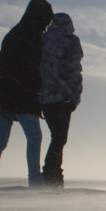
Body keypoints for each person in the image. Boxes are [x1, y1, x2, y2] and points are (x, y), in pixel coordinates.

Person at [0, 0, 54, 188]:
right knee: (34, 138)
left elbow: (1, 66)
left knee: (0, 141)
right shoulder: (34, 37)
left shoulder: (14, 34)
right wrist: (33, 87)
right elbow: (34, 69)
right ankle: (35, 181)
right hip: (23, 97)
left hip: (2, 95)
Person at [38, 12, 84, 187]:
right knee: (59, 138)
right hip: (63, 97)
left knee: (56, 136)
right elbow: (74, 69)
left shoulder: (43, 39)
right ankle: (52, 175)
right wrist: (74, 96)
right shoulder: (70, 40)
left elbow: (40, 69)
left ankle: (52, 173)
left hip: (46, 98)